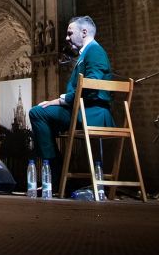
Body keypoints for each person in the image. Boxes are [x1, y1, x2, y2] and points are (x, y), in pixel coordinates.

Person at [27, 15, 114, 194]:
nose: (66, 38)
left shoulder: (95, 51)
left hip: (91, 113)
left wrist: (59, 100)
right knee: (44, 118)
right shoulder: (88, 53)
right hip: (82, 109)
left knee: (38, 113)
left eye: (69, 33)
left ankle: (54, 174)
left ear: (84, 32)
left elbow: (91, 86)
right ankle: (57, 177)